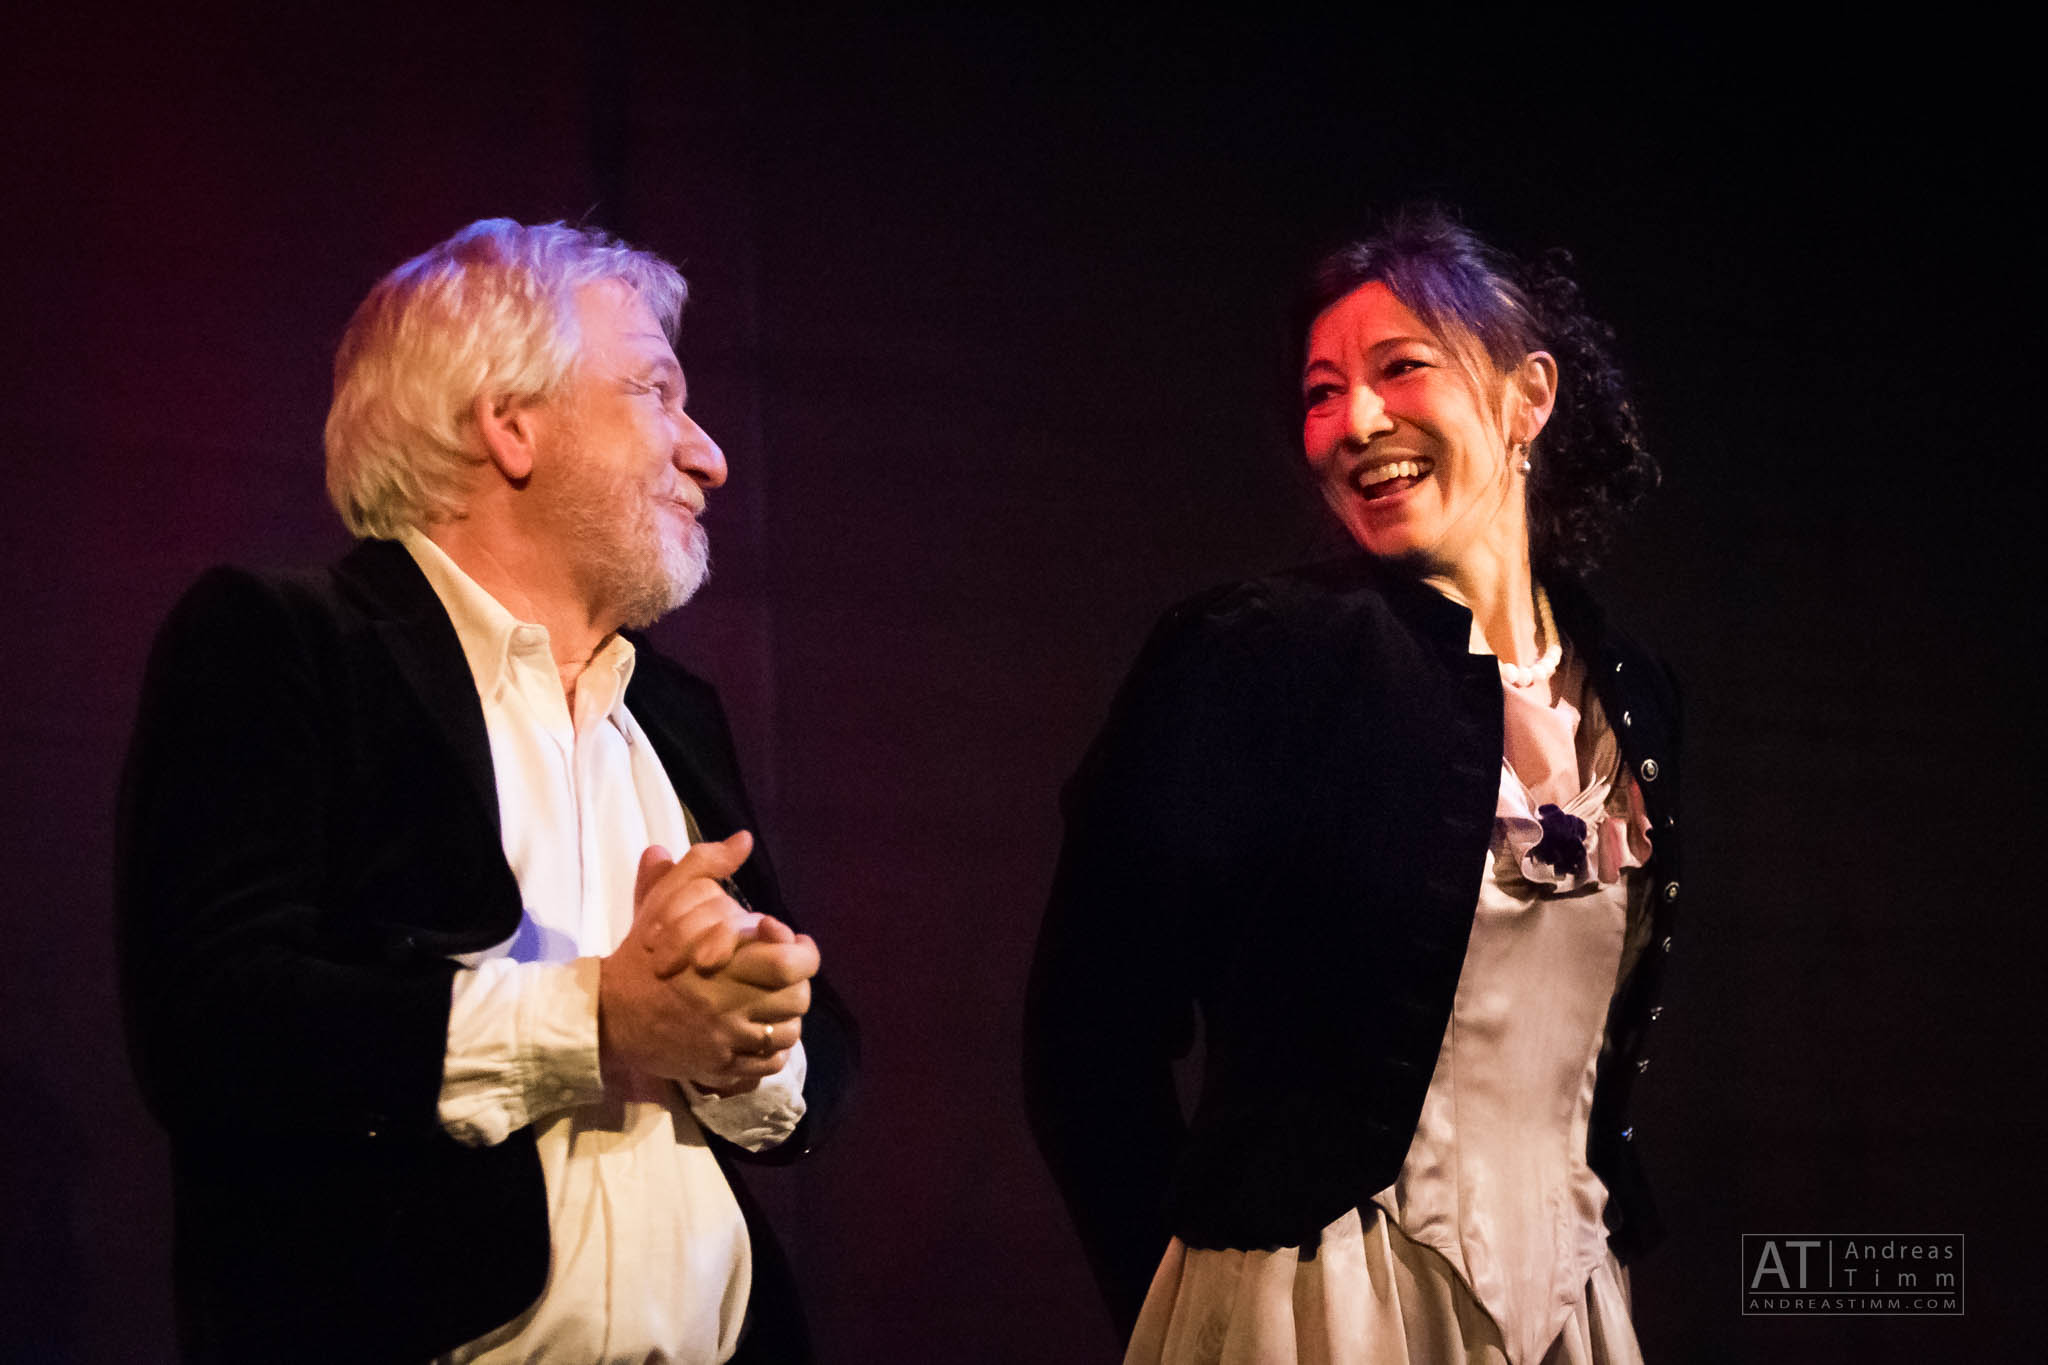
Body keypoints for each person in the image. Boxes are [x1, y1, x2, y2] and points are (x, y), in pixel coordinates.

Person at [116, 219, 856, 1364]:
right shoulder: (285, 643)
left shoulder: (673, 712)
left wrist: (750, 1012)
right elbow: (216, 1028)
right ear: (510, 422)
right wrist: (598, 1021)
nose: (708, 455)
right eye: (655, 391)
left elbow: (818, 1071)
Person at [1025, 204, 1677, 1364]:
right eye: (1321, 392)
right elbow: (1087, 1038)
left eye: (1399, 368)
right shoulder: (1252, 655)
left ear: (1526, 397)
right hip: (1319, 1303)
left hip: (1570, 1306)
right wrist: (1188, 1305)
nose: (1354, 422)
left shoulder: (1631, 694)